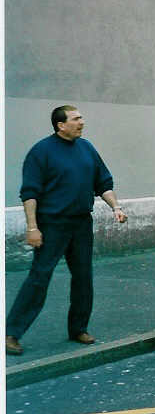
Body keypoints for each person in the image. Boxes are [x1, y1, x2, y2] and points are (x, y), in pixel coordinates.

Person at [6, 106, 127, 356]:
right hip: (52, 224)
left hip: (81, 223)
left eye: (81, 118)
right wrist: (32, 227)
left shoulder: (87, 148)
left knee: (83, 277)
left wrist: (116, 207)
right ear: (61, 125)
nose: (82, 122)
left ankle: (78, 328)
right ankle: (11, 334)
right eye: (76, 119)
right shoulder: (41, 152)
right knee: (39, 277)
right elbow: (29, 193)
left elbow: (103, 183)